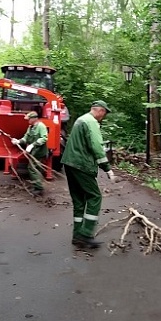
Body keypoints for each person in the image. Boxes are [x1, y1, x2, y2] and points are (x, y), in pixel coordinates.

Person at [60, 100, 118, 249]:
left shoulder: (81, 120)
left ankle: (77, 236)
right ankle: (86, 235)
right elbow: (96, 146)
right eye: (104, 113)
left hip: (69, 163)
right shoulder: (91, 122)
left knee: (79, 201)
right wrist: (107, 169)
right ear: (100, 111)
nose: (103, 117)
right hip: (81, 164)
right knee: (94, 196)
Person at [11, 111, 48, 196]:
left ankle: (39, 188)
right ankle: (37, 186)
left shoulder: (41, 126)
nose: (28, 121)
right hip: (33, 152)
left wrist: (33, 145)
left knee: (32, 169)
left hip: (39, 152)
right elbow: (26, 138)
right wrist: (18, 141)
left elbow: (44, 138)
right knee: (35, 169)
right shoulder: (30, 127)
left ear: (34, 119)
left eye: (29, 119)